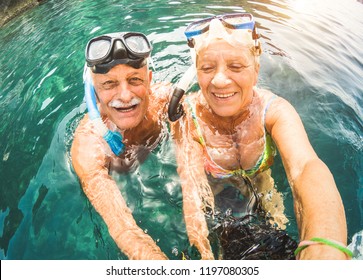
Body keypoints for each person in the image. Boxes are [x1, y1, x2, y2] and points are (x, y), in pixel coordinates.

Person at [169, 13, 349, 260]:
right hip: (218, 194)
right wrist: (202, 249)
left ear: (256, 69)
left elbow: (305, 167)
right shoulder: (187, 116)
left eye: (236, 66)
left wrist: (324, 243)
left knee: (279, 233)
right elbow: (191, 188)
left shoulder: (274, 110)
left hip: (264, 185)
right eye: (208, 68)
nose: (220, 80)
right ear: (197, 71)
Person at [71, 32, 172, 260]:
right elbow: (124, 230)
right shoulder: (89, 146)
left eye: (135, 79)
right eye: (109, 84)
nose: (125, 96)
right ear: (92, 93)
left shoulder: (164, 100)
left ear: (150, 80)